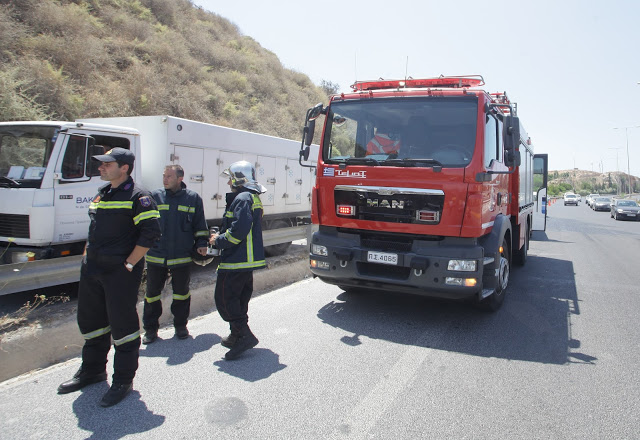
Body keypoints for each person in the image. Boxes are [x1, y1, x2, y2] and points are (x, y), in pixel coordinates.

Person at [57, 147, 161, 408]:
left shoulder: (139, 197)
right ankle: (92, 371)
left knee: (123, 327)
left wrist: (129, 264)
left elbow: (150, 235)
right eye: (101, 164)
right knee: (92, 323)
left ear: (124, 168)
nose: (101, 168)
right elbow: (93, 231)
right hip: (92, 270)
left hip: (119, 274)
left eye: (107, 164)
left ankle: (123, 380)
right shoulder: (102, 194)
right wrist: (85, 258)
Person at [142, 165, 209, 344]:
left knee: (181, 294)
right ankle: (150, 330)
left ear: (180, 178)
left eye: (169, 176)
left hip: (181, 256)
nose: (165, 179)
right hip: (157, 255)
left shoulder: (193, 199)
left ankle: (180, 326)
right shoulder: (154, 197)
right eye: (164, 176)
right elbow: (144, 224)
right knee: (152, 295)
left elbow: (200, 226)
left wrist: (202, 244)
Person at [209, 160, 267, 360]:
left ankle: (244, 335)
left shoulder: (242, 197)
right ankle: (236, 334)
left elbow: (238, 231)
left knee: (224, 299)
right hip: (245, 260)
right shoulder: (251, 197)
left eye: (230, 179)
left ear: (238, 179)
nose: (228, 183)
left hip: (237, 259)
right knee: (239, 299)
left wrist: (218, 241)